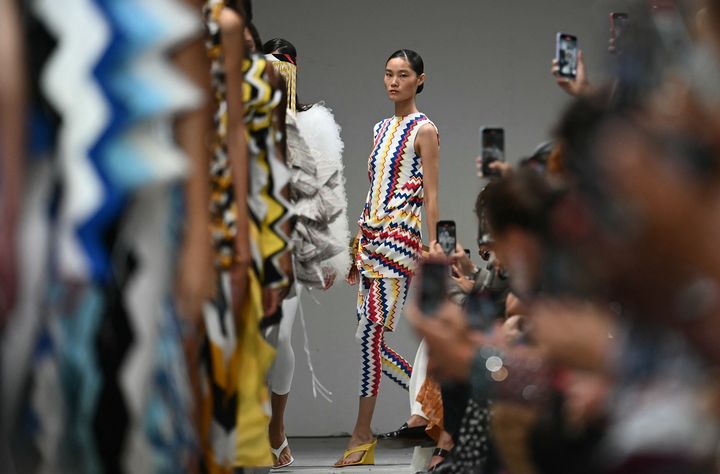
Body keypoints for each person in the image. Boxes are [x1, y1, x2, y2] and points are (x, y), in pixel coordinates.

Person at [336, 48, 440, 467]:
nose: (393, 81)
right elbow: (372, 189)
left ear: (420, 79)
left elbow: (431, 192)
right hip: (370, 240)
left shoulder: (425, 129)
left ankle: (362, 435)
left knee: (368, 338)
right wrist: (354, 247)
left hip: (399, 244)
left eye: (403, 74)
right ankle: (433, 405)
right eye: (388, 74)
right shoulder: (380, 128)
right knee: (368, 342)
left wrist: (435, 245)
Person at [262, 37, 351, 469]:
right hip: (245, 238)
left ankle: (276, 427)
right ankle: (244, 425)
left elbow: (327, 191)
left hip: (292, 244)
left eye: (285, 66)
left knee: (279, 338)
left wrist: (330, 254)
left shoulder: (312, 124)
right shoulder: (243, 117)